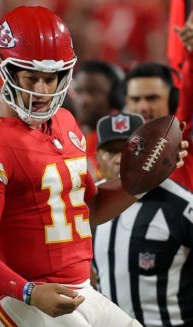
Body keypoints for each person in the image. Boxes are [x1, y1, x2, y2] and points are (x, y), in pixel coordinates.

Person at [0, 6, 187, 327]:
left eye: (52, 77)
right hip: (25, 299)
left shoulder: (65, 121)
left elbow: (89, 209)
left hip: (81, 291)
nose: (42, 91)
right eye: (32, 77)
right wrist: (30, 292)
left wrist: (141, 179)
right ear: (2, 71)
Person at [93, 113, 193, 327]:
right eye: (110, 151)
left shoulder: (183, 205)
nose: (119, 158)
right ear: (97, 156)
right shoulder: (87, 202)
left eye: (130, 148)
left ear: (152, 150)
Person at [123, 62, 193, 192]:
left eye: (152, 98)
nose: (142, 107)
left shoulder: (182, 135)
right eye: (135, 99)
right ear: (126, 102)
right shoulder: (115, 147)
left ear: (173, 101)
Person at [71, 60, 124, 180]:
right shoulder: (59, 131)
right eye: (79, 91)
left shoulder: (125, 138)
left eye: (93, 92)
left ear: (114, 97)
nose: (84, 100)